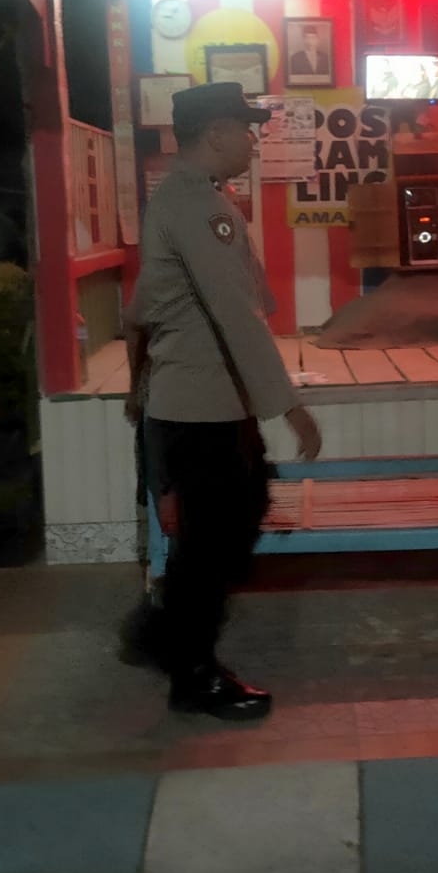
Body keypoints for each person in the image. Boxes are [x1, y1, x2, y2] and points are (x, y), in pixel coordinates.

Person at [119, 82, 323, 721]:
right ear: (215, 133)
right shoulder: (199, 207)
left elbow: (142, 308)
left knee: (233, 520)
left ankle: (163, 633)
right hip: (202, 408)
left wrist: (137, 385)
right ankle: (193, 673)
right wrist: (288, 405)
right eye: (246, 128)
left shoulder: (188, 199)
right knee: (214, 543)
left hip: (199, 405)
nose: (254, 140)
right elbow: (236, 312)